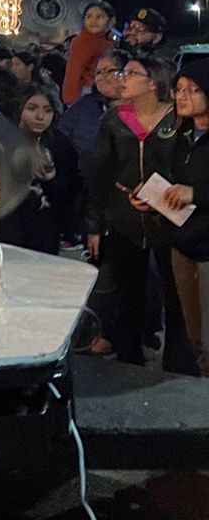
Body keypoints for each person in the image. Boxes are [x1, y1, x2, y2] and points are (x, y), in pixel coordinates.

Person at [82, 55, 195, 371]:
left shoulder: (178, 119)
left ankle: (180, 361)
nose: (122, 78)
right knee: (126, 292)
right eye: (123, 72)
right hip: (124, 218)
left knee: (176, 294)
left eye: (131, 73)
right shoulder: (114, 120)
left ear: (153, 81)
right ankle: (128, 355)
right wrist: (94, 224)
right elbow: (99, 174)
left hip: (171, 219)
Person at [0, 87, 82, 255]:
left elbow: (71, 191)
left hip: (44, 233)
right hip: (6, 230)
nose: (40, 117)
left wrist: (52, 180)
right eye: (32, 109)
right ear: (19, 110)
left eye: (47, 111)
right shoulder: (0, 142)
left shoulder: (59, 144)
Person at [161, 60, 209, 373]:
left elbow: (195, 189)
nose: (183, 96)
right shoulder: (182, 137)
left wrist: (196, 193)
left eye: (193, 90)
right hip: (184, 246)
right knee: (196, 336)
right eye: (179, 89)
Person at [62, 50, 125, 163]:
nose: (102, 77)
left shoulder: (140, 107)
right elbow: (62, 136)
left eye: (109, 71)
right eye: (98, 72)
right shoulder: (85, 105)